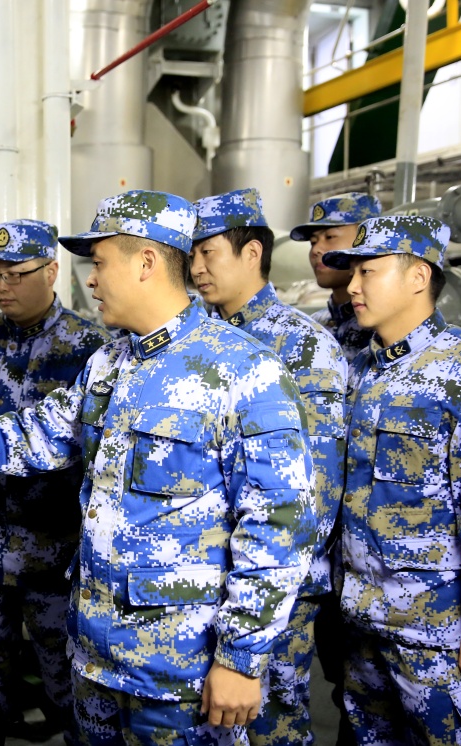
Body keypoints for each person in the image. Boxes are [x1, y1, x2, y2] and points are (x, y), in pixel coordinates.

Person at [0, 190, 317, 746]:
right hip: (95, 658)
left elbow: (280, 524)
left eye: (100, 263)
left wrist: (240, 658)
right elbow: (32, 436)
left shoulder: (245, 370)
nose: (91, 279)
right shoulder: (110, 364)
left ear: (146, 262)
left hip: (178, 671)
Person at [321, 216, 461, 745]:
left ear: (418, 276)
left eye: (368, 271)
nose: (352, 287)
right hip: (363, 620)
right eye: (352, 273)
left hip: (438, 634)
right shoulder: (363, 369)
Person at [0, 219, 110, 745]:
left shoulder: (89, 347)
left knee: (66, 678)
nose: (2, 287)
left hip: (54, 553)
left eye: (16, 274)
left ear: (51, 271)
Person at [191, 188, 347, 746]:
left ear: (252, 252)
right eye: (191, 254)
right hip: (199, 580)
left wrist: (264, 587)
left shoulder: (303, 347)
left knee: (270, 726)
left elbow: (313, 494)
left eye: (208, 252)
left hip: (273, 589)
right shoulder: (195, 341)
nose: (197, 268)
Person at [290, 193, 381, 362]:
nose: (316, 249)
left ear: (367, 240)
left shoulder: (384, 329)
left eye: (330, 237)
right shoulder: (312, 327)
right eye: (313, 242)